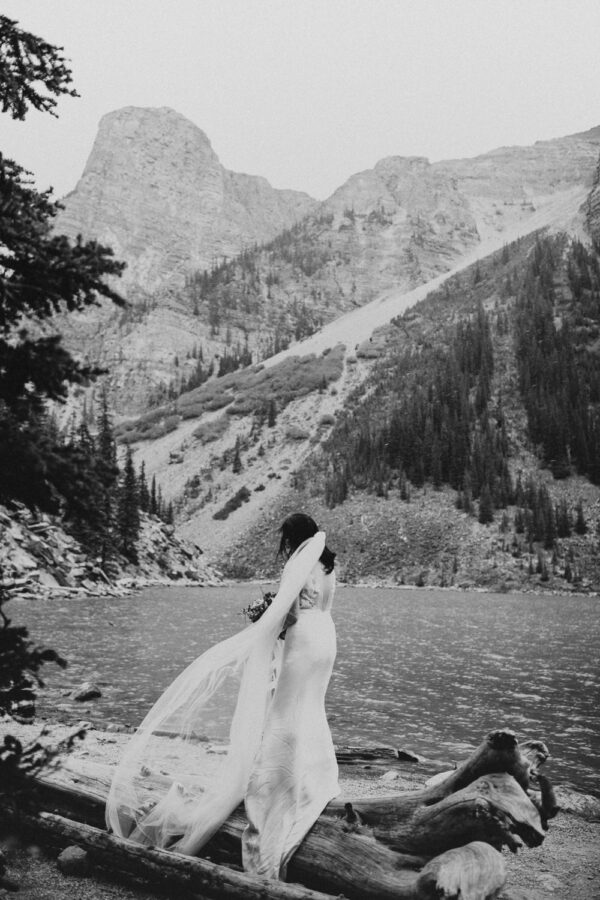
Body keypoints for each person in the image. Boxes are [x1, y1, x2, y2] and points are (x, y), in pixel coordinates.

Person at [105, 513, 339, 880]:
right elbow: (321, 605)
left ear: (293, 539)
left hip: (302, 642)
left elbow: (289, 613)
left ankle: (278, 781)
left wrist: (266, 621)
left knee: (284, 709)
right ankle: (317, 773)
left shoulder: (298, 562)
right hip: (326, 638)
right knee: (311, 705)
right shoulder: (328, 564)